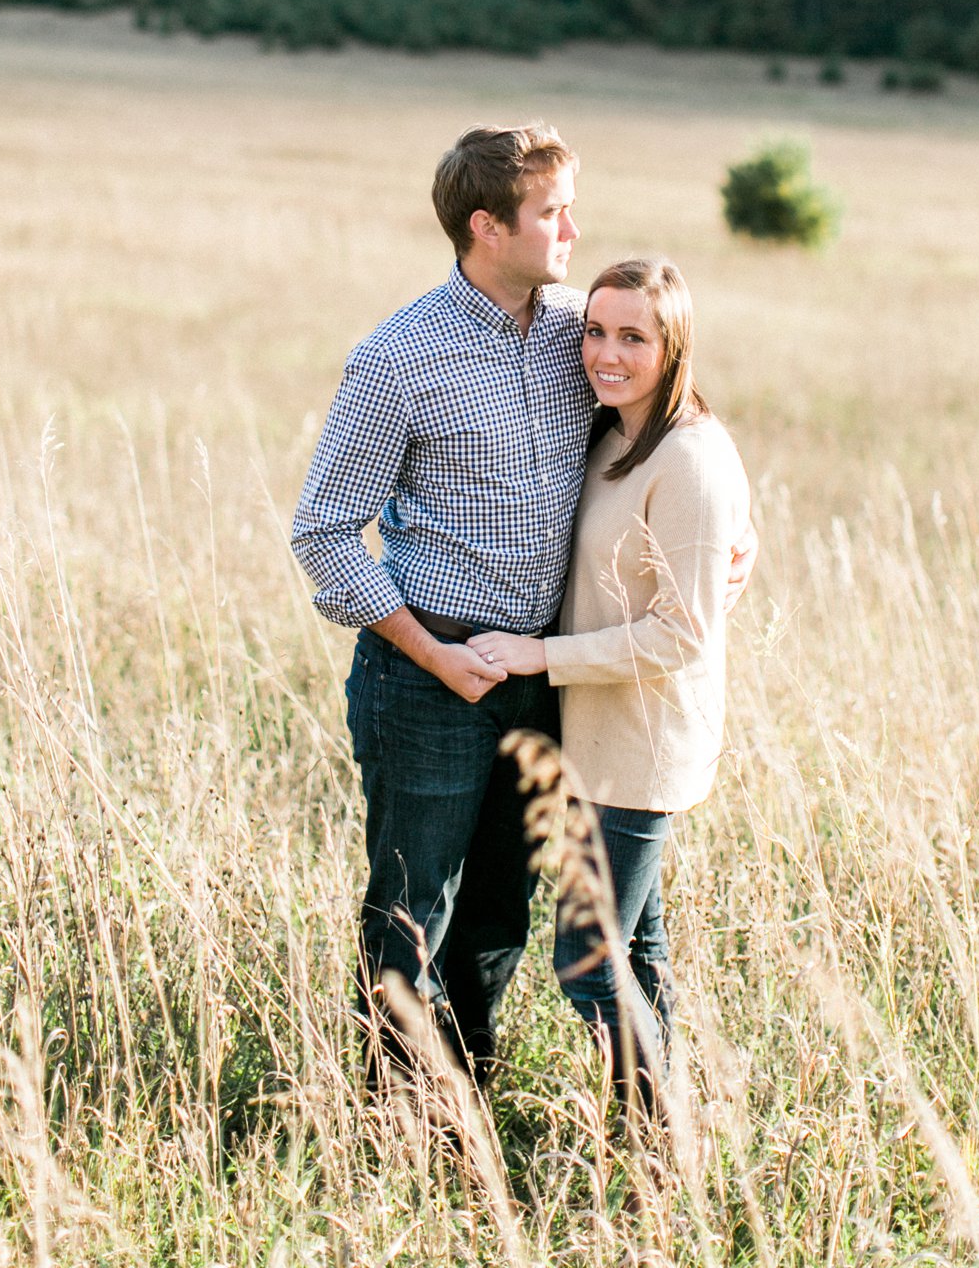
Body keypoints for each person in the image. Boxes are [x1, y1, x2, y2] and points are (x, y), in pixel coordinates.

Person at [290, 122, 595, 1086]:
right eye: (552, 213)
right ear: (487, 227)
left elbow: (670, 420)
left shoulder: (578, 331)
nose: (572, 230)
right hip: (429, 675)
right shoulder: (398, 356)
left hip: (541, 671)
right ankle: (394, 1125)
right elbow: (324, 530)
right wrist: (434, 657)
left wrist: (729, 532)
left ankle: (468, 1101)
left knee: (504, 907)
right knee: (415, 909)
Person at [471, 257, 753, 1120]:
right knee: (639, 947)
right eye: (596, 332)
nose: (608, 353)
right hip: (597, 736)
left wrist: (538, 655)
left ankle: (665, 1143)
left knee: (589, 959)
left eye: (634, 336)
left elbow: (681, 634)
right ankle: (664, 1118)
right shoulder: (615, 434)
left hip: (641, 746)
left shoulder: (690, 458)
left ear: (674, 348)